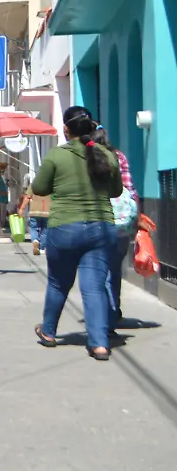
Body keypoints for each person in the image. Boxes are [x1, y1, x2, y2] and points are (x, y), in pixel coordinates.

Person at [31, 105, 122, 361]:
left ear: (66, 129)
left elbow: (39, 188)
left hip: (65, 228)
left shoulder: (56, 156)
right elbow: (116, 192)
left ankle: (48, 332)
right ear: (92, 127)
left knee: (59, 283)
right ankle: (100, 344)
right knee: (93, 288)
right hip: (101, 228)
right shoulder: (107, 154)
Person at [91, 126, 139, 336]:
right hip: (120, 221)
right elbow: (130, 189)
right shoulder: (119, 156)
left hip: (95, 219)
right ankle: (112, 314)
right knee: (114, 271)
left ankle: (103, 316)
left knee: (96, 272)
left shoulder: (87, 158)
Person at [18, 184, 50, 256]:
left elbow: (27, 198)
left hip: (34, 211)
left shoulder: (33, 185)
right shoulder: (51, 185)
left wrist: (22, 208)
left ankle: (35, 240)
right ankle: (42, 248)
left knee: (34, 228)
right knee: (45, 229)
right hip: (47, 212)